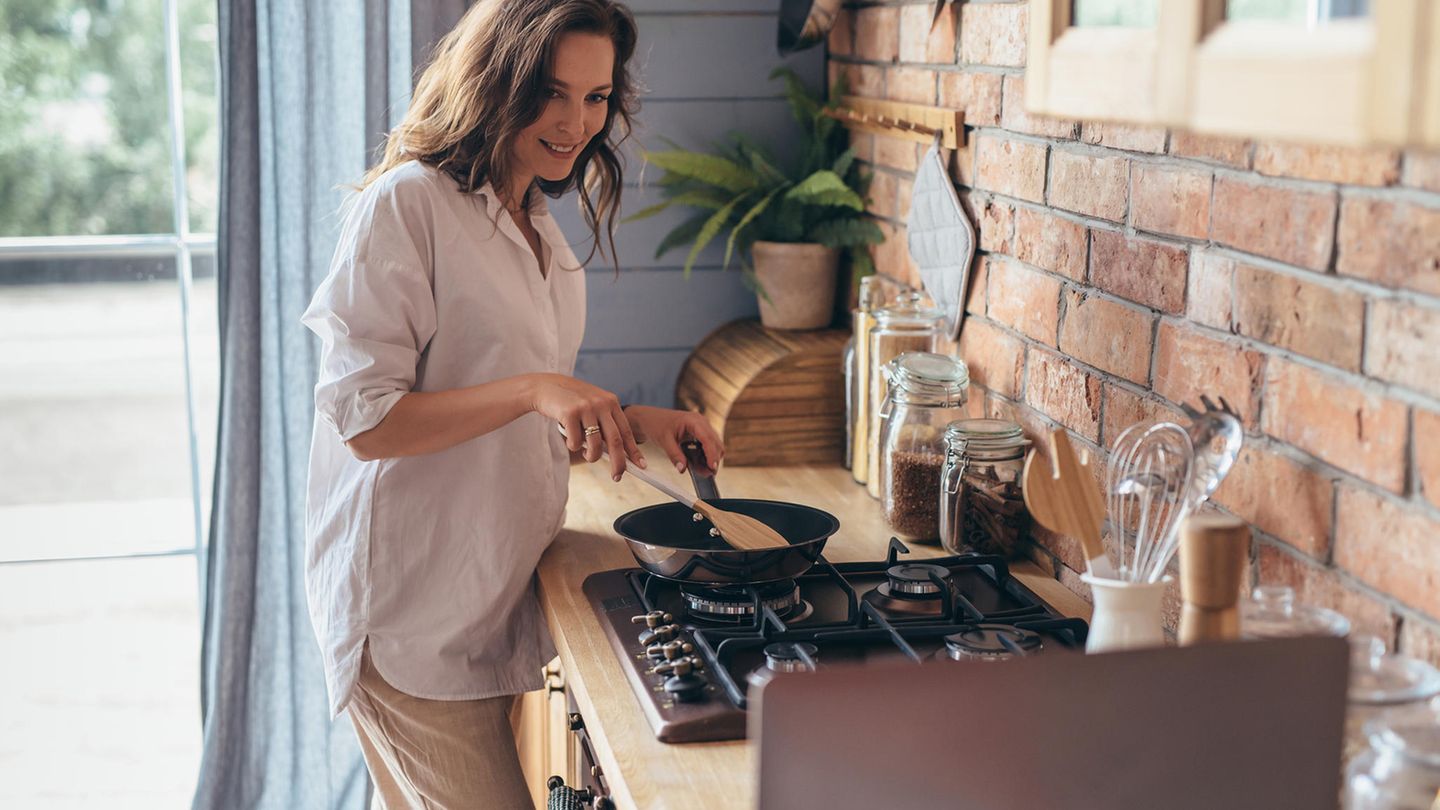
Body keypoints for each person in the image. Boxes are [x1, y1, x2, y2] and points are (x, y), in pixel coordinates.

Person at [300, 1, 723, 806]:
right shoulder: (409, 204)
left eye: (596, 97)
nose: (575, 122)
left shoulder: (535, 224)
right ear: (496, 81)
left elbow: (511, 407)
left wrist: (643, 425)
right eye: (551, 92)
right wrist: (537, 388)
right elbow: (366, 421)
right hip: (411, 616)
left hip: (482, 601)